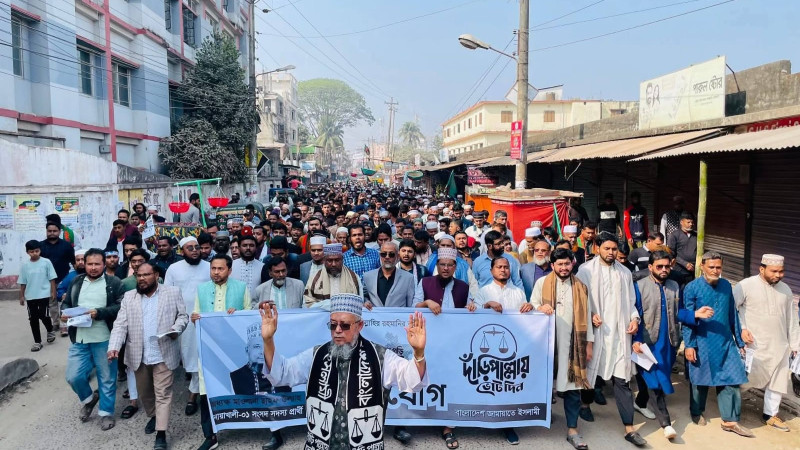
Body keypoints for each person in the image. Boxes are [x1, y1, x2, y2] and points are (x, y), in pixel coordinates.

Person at [260, 295, 428, 450]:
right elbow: (282, 373)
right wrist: (268, 340)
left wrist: (419, 353)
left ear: (359, 326)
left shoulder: (380, 357)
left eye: (345, 325)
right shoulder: (317, 354)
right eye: (333, 325)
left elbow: (412, 380)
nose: (338, 330)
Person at [107, 263, 188, 450]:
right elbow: (120, 325)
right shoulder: (129, 297)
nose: (142, 279)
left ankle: (161, 434)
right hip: (139, 354)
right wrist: (114, 347)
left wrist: (176, 329)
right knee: (145, 394)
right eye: (138, 275)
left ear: (156, 275)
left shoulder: (172, 292)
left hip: (164, 352)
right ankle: (154, 416)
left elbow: (183, 316)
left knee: (163, 394)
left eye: (146, 275)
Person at [576, 234, 646, 447]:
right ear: (597, 248)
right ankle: (585, 405)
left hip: (619, 335)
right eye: (607, 248)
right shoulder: (585, 271)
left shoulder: (625, 272)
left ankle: (629, 428)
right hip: (596, 334)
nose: (611, 252)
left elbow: (631, 302)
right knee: (592, 374)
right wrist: (589, 315)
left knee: (622, 379)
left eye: (614, 249)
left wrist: (634, 319)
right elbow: (578, 301)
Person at [681, 252, 752, 437]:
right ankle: (696, 412)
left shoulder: (726, 285)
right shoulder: (692, 288)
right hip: (701, 342)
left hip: (725, 341)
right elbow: (687, 318)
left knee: (732, 379)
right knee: (700, 381)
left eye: (718, 267)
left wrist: (739, 340)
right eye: (711, 267)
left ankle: (730, 420)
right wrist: (689, 344)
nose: (715, 270)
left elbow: (732, 314)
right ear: (702, 266)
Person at [531, 248, 594, 450]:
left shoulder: (581, 286)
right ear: (552, 265)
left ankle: (572, 430)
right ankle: (542, 417)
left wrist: (589, 344)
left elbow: (588, 316)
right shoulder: (542, 283)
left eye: (567, 263)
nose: (564, 267)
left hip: (573, 345)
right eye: (560, 264)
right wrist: (540, 307)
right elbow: (532, 304)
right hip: (547, 345)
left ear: (572, 263)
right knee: (545, 383)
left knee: (573, 387)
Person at [632, 250, 696, 441]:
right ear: (650, 267)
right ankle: (666, 424)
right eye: (659, 266)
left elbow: (679, 312)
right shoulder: (639, 286)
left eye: (667, 266)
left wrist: (695, 315)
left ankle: (640, 403)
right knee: (655, 381)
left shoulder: (674, 286)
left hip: (668, 343)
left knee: (659, 377)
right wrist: (636, 340)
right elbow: (635, 315)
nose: (664, 270)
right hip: (646, 343)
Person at [733, 254, 800, 432]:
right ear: (762, 269)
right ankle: (729, 406)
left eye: (781, 271)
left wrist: (795, 344)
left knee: (778, 381)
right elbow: (732, 310)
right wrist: (742, 329)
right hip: (754, 344)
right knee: (747, 378)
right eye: (774, 271)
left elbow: (792, 319)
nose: (778, 275)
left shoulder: (786, 289)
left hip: (780, 344)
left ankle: (770, 414)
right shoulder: (745, 286)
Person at [192, 254, 252, 450]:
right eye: (213, 268)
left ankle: (243, 422)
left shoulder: (241, 288)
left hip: (233, 349)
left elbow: (249, 316)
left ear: (230, 270)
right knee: (206, 388)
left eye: (220, 269)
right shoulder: (201, 289)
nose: (216, 272)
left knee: (236, 385)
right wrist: (194, 319)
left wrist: (238, 314)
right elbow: (195, 315)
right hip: (208, 348)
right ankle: (210, 435)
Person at [60, 248, 124, 431]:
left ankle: (106, 413)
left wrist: (99, 313)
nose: (93, 267)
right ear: (84, 264)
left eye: (97, 264)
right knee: (73, 376)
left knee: (107, 378)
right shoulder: (77, 281)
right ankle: (89, 399)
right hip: (80, 338)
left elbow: (121, 306)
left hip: (105, 338)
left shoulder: (113, 283)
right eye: (90, 264)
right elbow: (67, 303)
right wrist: (64, 313)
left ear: (104, 264)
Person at [163, 237, 210, 417]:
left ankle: (193, 396)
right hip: (184, 320)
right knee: (189, 358)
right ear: (182, 251)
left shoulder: (209, 267)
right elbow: (167, 295)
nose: (195, 250)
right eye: (190, 248)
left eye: (197, 247)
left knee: (202, 358)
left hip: (204, 319)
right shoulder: (173, 269)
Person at [19, 240, 57, 351]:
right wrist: (21, 295)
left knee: (43, 315)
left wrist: (53, 291)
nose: (34, 253)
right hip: (31, 296)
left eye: (37, 251)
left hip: (44, 294)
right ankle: (37, 342)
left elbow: (52, 278)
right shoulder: (25, 265)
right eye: (32, 252)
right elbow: (23, 282)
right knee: (33, 318)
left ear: (40, 250)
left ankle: (50, 330)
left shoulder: (46, 262)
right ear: (27, 252)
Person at [304, 243, 363, 308]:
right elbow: (306, 305)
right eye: (330, 261)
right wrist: (327, 304)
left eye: (337, 260)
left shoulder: (354, 277)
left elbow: (360, 303)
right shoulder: (314, 279)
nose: (333, 264)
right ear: (324, 261)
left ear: (342, 260)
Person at [41, 221, 76, 329]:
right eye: (49, 231)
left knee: (64, 301)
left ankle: (64, 324)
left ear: (59, 232)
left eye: (55, 231)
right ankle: (55, 323)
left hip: (63, 278)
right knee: (51, 303)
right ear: (46, 231)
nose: (52, 233)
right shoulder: (41, 246)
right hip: (47, 280)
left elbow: (73, 262)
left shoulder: (66, 246)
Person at [363, 242, 416, 308]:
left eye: (391, 254)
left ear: (398, 256)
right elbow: (364, 296)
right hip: (374, 314)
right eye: (383, 254)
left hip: (398, 315)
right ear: (380, 256)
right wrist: (366, 302)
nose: (387, 257)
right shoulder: (368, 276)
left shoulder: (408, 278)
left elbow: (410, 305)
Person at [666, 212, 697, 286]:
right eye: (688, 222)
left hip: (693, 271)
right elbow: (671, 254)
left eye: (692, 222)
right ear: (681, 222)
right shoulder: (674, 235)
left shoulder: (696, 236)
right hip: (679, 270)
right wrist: (685, 264)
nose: (691, 224)